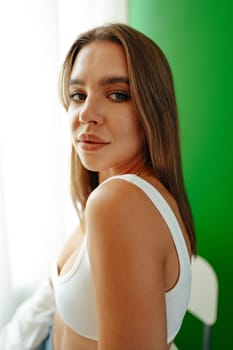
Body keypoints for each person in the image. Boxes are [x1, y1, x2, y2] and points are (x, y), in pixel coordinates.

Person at [1, 23, 196, 350]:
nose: (86, 114)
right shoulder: (131, 193)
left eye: (117, 94)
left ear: (153, 107)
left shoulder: (119, 202)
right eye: (78, 95)